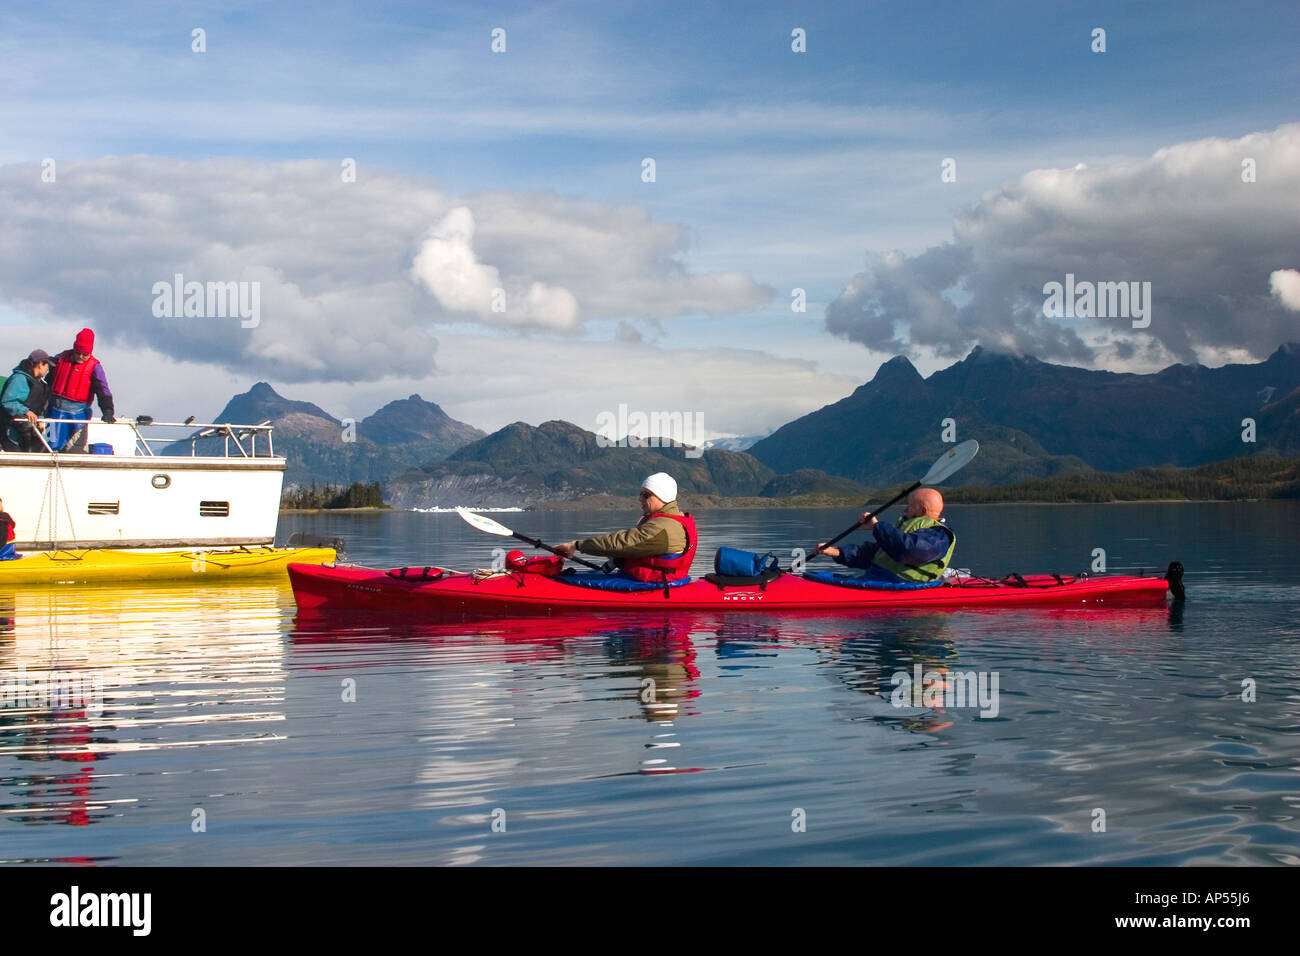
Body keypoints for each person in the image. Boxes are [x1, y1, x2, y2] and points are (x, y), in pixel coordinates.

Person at [554, 472, 697, 582]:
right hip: (648, 579)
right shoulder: (673, 520)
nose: (640, 499)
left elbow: (621, 543)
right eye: (641, 494)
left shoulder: (664, 528)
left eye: (646, 495)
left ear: (662, 496)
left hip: (655, 584)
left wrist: (577, 546)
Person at [818, 487, 955, 583]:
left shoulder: (939, 535)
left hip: (902, 584)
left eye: (910, 506)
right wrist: (837, 552)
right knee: (816, 576)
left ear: (922, 510)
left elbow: (908, 550)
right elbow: (876, 554)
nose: (905, 509)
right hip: (879, 578)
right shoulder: (907, 528)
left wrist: (877, 527)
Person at [46, 328, 115, 451]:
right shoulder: (60, 359)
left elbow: (103, 391)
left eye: (85, 354)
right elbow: (46, 383)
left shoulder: (95, 367)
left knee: (74, 450)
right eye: (78, 353)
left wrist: (108, 410)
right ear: (74, 349)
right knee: (48, 446)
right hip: (54, 414)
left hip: (78, 417)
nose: (81, 357)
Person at [0, 349, 53, 452]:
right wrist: (25, 411)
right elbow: (8, 401)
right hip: (12, 432)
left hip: (28, 432)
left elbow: (38, 406)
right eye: (47, 366)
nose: (47, 370)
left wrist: (40, 419)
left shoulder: (39, 382)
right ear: (40, 365)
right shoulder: (19, 379)